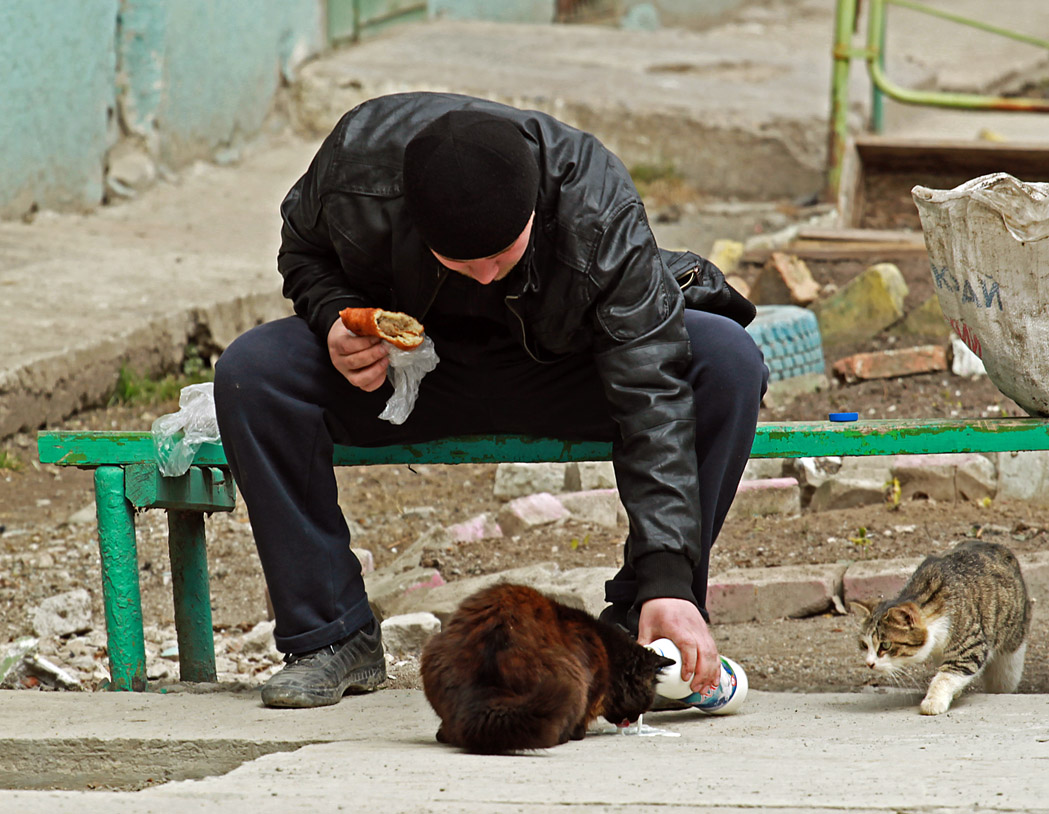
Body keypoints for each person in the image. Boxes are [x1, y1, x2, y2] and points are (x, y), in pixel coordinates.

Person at [214, 91, 768, 709]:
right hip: (412, 375)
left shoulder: (595, 200)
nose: (482, 276)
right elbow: (304, 252)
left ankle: (644, 621)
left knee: (725, 359)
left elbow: (649, 383)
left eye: (501, 255)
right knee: (253, 371)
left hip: (565, 369)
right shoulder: (356, 171)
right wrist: (334, 319)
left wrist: (670, 576)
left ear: (535, 206)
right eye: (458, 259)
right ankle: (330, 637)